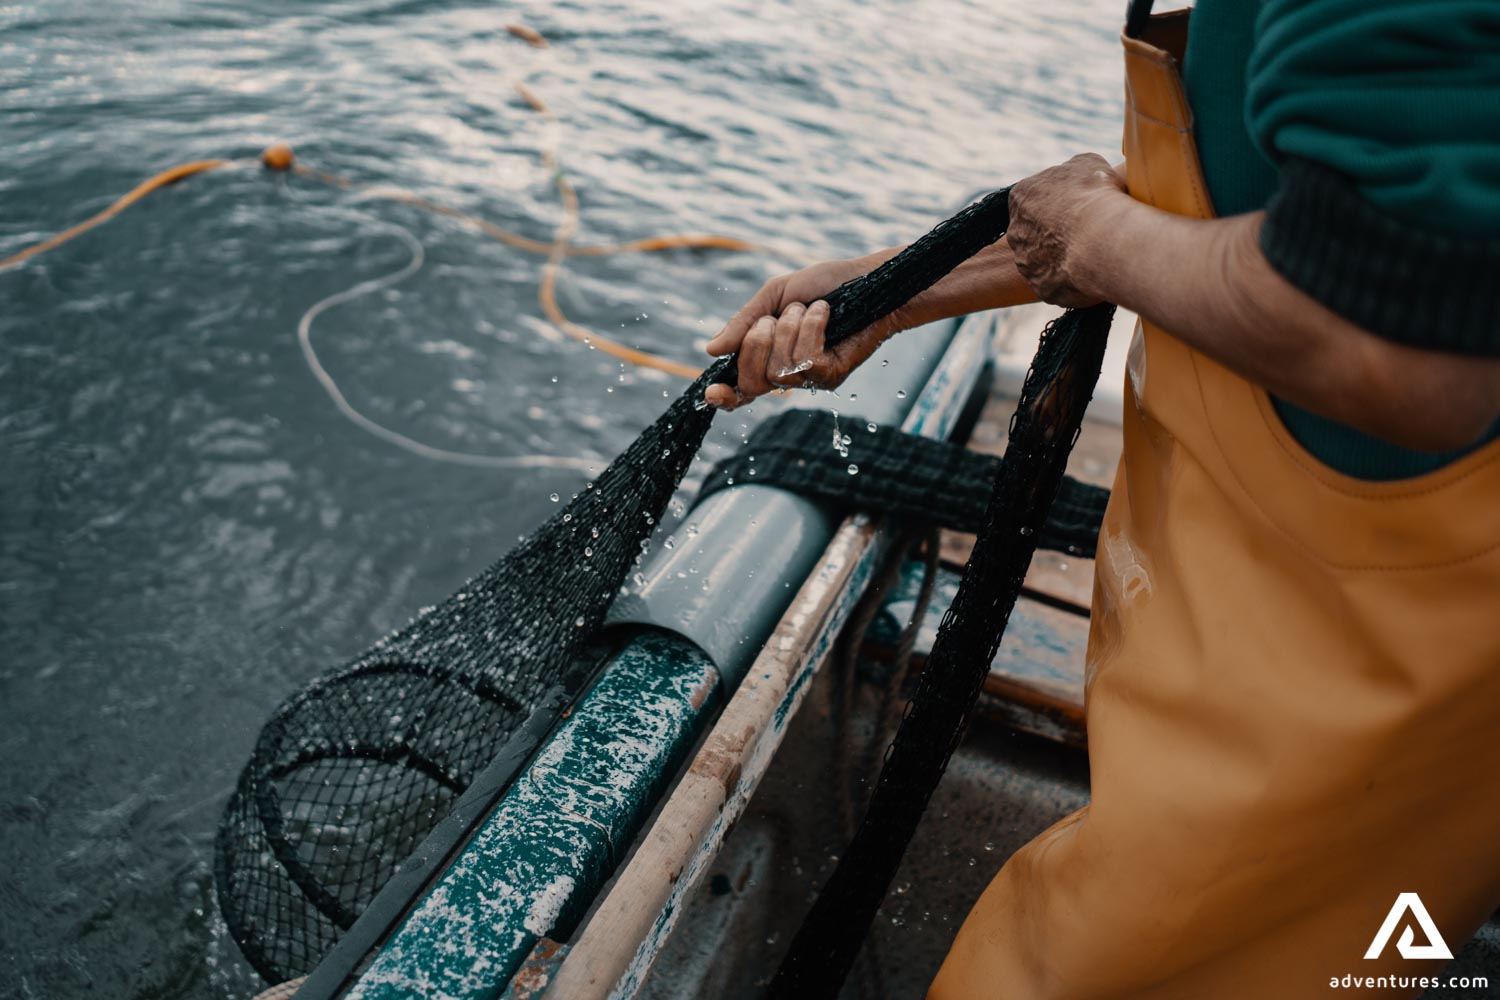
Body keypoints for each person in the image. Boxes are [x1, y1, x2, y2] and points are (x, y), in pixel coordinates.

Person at [704, 0, 1500, 995]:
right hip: (1254, 630)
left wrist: (1092, 233)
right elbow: (1275, 211)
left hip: (1376, 676)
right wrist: (890, 291)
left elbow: (1402, 342)